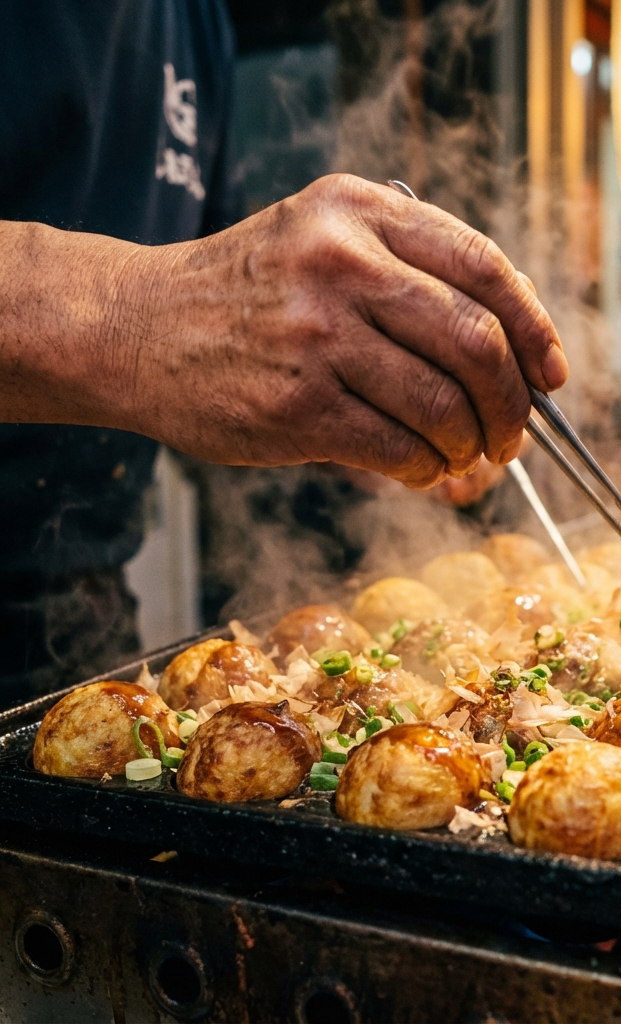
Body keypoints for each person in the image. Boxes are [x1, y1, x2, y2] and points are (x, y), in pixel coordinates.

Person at [0, 0, 567, 708]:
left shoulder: (193, 18)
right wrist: (144, 316)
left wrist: (351, 403)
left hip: (83, 628)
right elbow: (188, 316)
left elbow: (215, 360)